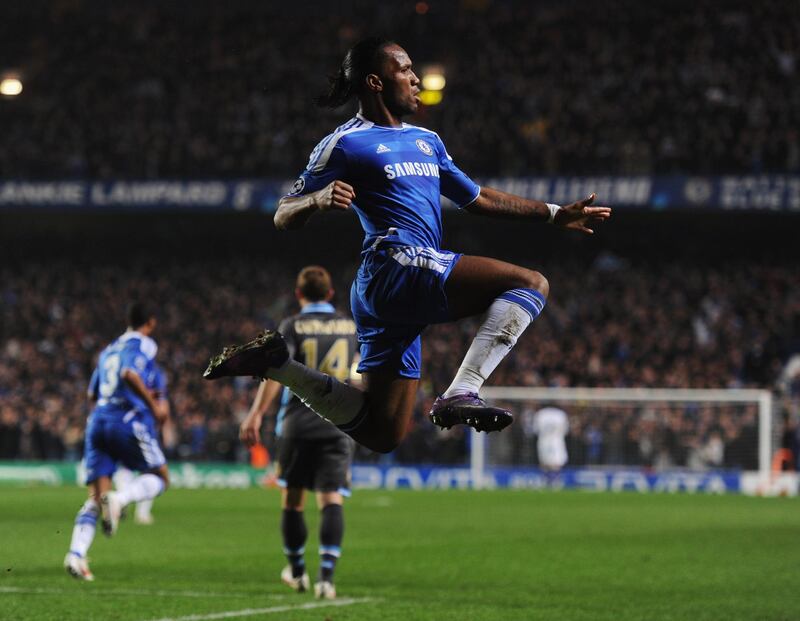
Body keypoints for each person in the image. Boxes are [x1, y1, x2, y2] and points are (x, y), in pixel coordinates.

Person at [204, 37, 611, 455]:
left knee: (383, 433)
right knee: (530, 283)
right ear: (376, 82)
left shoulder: (427, 140)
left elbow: (478, 198)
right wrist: (317, 200)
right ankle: (462, 390)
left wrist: (553, 213)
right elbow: (283, 214)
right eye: (406, 70)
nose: (416, 79)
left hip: (393, 288)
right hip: (394, 264)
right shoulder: (344, 143)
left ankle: (278, 365)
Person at [240, 266, 358, 600]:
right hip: (339, 421)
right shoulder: (350, 326)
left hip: (297, 422)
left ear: (298, 294)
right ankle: (327, 579)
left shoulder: (291, 325)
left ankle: (296, 572)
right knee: (331, 497)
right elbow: (362, 370)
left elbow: (278, 373)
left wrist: (255, 414)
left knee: (293, 499)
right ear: (331, 293)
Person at [64, 303, 170, 581]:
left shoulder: (107, 349)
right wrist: (153, 406)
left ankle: (76, 554)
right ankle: (120, 499)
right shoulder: (144, 344)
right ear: (151, 322)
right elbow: (129, 374)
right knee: (161, 477)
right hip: (126, 419)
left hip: (98, 420)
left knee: (95, 498)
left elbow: (92, 394)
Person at [113, 361, 170, 525]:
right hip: (143, 426)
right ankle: (136, 510)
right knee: (154, 472)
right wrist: (162, 421)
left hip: (120, 424)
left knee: (125, 466)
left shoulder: (120, 366)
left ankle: (120, 500)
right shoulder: (155, 373)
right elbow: (162, 403)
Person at [532, 405, 570, 473]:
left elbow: (535, 430)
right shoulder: (561, 414)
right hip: (557, 441)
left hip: (543, 441)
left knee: (544, 462)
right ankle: (555, 480)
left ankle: (546, 480)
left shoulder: (540, 413)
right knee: (557, 463)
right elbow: (566, 430)